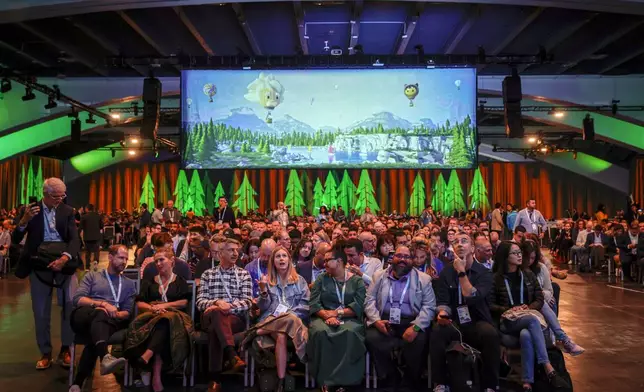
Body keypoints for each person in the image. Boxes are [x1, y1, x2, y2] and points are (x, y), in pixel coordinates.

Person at [12, 177, 80, 370]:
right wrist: (24, 221)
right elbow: (17, 238)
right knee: (40, 311)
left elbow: (74, 239)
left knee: (69, 305)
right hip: (38, 264)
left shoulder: (67, 211)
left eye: (62, 195)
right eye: (56, 196)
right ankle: (45, 352)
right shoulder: (31, 211)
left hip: (64, 263)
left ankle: (66, 349)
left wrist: (65, 258)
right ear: (46, 194)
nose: (60, 199)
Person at [490, 241, 570, 392]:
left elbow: (539, 298)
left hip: (526, 318)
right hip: (507, 322)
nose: (519, 256)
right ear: (505, 256)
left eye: (520, 252)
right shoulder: (496, 278)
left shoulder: (527, 274)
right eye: (515, 253)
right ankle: (548, 368)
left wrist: (527, 307)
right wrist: (510, 309)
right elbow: (490, 305)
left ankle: (527, 382)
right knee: (532, 321)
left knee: (526, 334)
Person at [431, 232, 499, 392]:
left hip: (477, 319)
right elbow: (443, 300)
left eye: (464, 241)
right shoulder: (447, 272)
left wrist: (461, 272)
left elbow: (472, 296)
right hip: (454, 320)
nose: (460, 244)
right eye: (456, 242)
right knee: (437, 332)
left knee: (490, 334)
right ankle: (440, 383)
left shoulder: (484, 273)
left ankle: (490, 385)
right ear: (452, 248)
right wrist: (442, 312)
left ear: (473, 248)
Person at [125, 242, 193, 392]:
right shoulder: (149, 282)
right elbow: (140, 303)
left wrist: (163, 306)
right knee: (161, 325)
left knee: (166, 321)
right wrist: (153, 308)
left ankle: (147, 360)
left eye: (162, 260)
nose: (158, 263)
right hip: (151, 317)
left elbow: (183, 302)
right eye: (156, 261)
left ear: (172, 261)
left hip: (174, 318)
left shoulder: (180, 281)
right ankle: (153, 372)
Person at [364, 245, 435, 388]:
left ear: (412, 260)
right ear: (392, 258)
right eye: (399, 256)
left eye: (407, 257)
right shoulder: (379, 276)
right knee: (371, 337)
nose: (402, 260)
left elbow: (429, 306)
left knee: (419, 340)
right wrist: (376, 321)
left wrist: (416, 327)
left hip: (411, 321)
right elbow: (369, 300)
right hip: (384, 319)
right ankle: (391, 374)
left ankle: (409, 379)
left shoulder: (424, 279)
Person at [69, 245, 137, 392]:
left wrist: (115, 313)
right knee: (100, 314)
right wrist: (102, 305)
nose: (124, 261)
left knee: (98, 328)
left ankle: (78, 382)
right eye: (120, 257)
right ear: (110, 257)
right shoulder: (92, 276)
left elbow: (127, 312)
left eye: (126, 258)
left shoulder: (129, 284)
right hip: (85, 315)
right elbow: (77, 299)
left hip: (109, 321)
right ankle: (105, 357)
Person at [243, 246, 310, 392]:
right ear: (273, 262)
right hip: (271, 317)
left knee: (283, 330)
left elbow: (305, 306)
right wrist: (263, 291)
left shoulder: (300, 281)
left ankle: (258, 331)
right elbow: (264, 307)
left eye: (284, 256)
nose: (281, 259)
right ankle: (281, 380)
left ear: (289, 260)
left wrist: (287, 315)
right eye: (278, 256)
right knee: (284, 325)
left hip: (292, 320)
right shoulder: (267, 280)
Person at [308, 246, 367, 391]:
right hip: (323, 318)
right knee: (321, 332)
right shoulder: (322, 279)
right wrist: (326, 315)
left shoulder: (357, 281)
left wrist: (337, 314)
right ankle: (325, 381)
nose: (324, 263)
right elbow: (314, 302)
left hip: (348, 318)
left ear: (339, 261)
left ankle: (345, 382)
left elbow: (358, 305)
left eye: (328, 260)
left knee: (350, 332)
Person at [196, 238, 252, 392]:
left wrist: (227, 307)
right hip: (208, 317)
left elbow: (247, 302)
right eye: (231, 250)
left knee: (217, 323)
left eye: (237, 250)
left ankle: (215, 379)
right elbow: (200, 302)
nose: (235, 253)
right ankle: (232, 354)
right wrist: (216, 303)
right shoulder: (208, 274)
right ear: (220, 253)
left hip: (234, 318)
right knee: (216, 314)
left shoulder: (243, 274)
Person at [520, 240, 584, 356]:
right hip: (524, 305)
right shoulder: (517, 269)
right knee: (543, 303)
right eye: (527, 258)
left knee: (546, 301)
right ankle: (563, 339)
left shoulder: (541, 268)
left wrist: (540, 295)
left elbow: (549, 291)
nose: (530, 261)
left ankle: (560, 339)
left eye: (533, 258)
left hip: (538, 301)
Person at [79, 203, 103, 270]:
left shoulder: (84, 217)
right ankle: (95, 261)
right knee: (96, 251)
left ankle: (87, 267)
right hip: (96, 236)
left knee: (87, 252)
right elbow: (101, 226)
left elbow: (80, 227)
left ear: (87, 209)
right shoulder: (98, 216)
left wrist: (78, 235)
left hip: (87, 237)